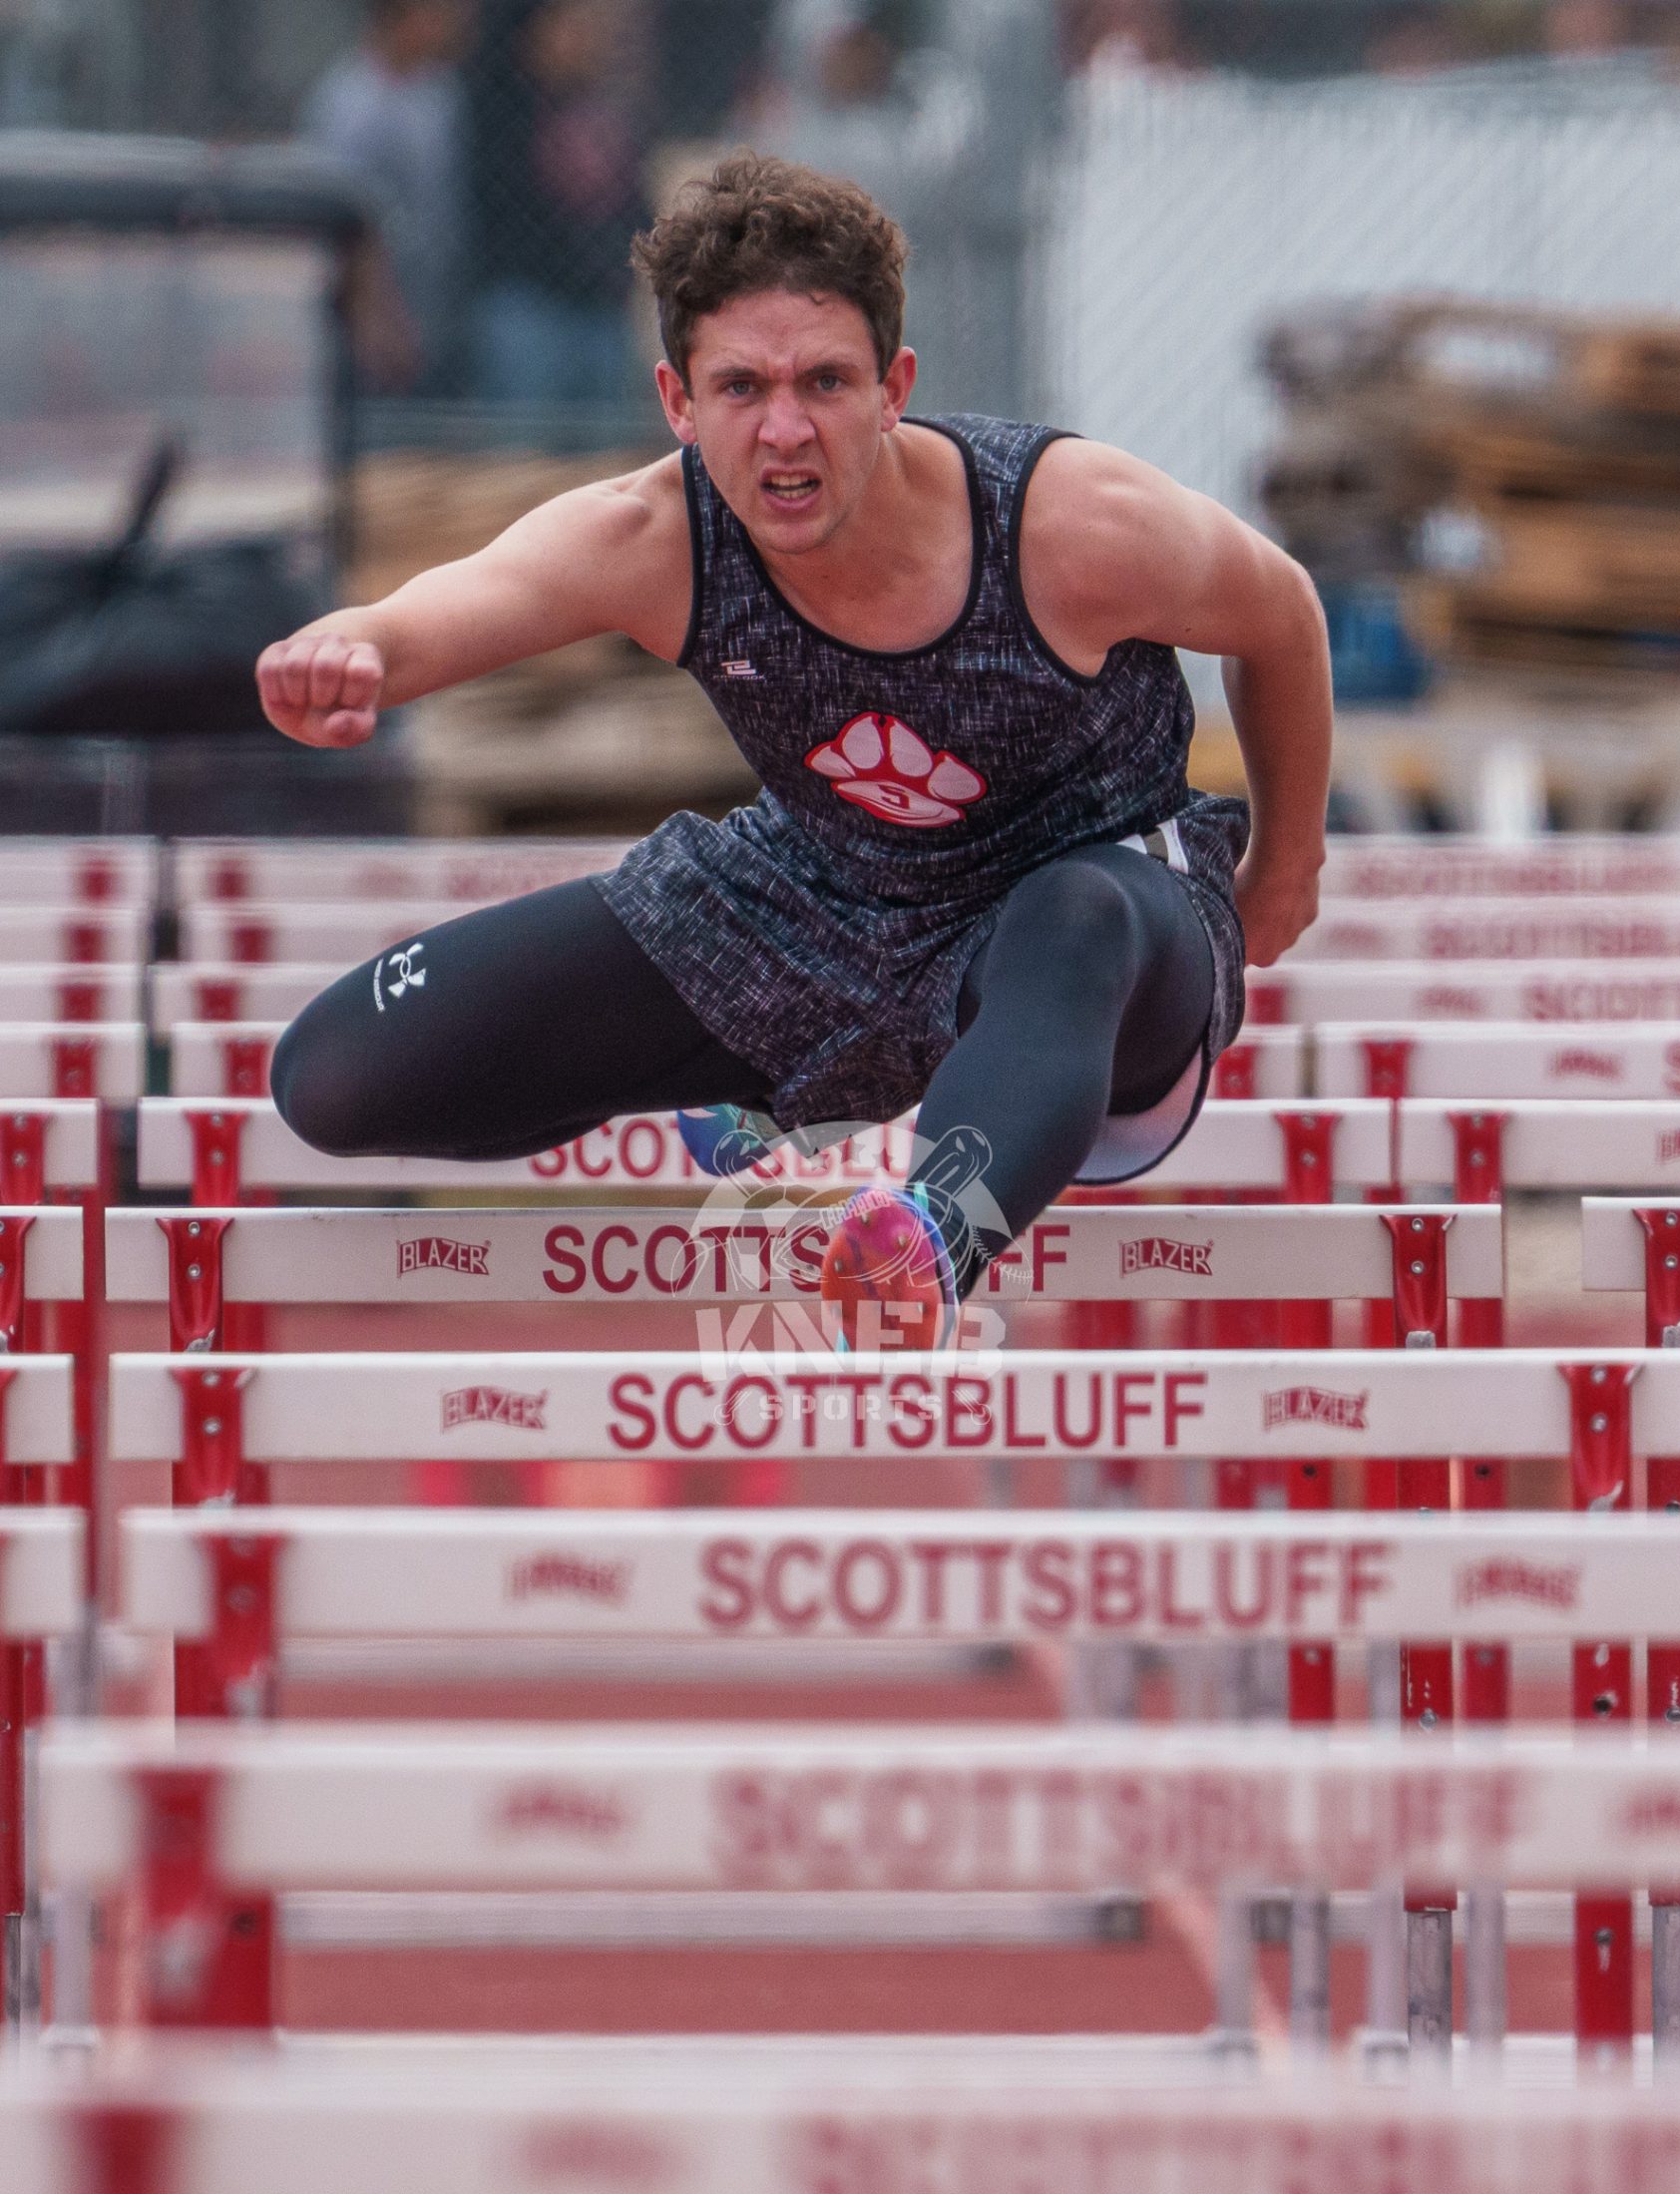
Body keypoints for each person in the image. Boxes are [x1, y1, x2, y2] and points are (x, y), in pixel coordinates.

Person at [257, 152, 1329, 1349]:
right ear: (678, 403)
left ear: (893, 387)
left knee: (1072, 912)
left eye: (825, 381)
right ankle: (786, 1085)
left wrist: (1285, 869)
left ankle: (924, 1241)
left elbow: (1281, 612)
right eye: (741, 387)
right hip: (824, 900)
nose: (785, 431)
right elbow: (446, 609)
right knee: (332, 1078)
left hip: (1100, 923)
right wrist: (345, 655)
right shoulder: (656, 536)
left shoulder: (1068, 523)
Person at [466, 0, 649, 411]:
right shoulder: (501, 109)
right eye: (569, 26)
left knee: (605, 443)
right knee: (527, 439)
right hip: (527, 303)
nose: (585, 38)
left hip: (602, 308)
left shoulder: (607, 108)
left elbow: (636, 203)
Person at [302, 0, 471, 394]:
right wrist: (376, 312)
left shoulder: (442, 93)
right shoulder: (348, 102)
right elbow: (344, 219)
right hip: (372, 310)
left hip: (439, 301)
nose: (450, 24)